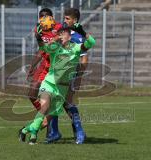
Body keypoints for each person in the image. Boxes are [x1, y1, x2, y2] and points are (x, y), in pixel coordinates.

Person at [19, 27, 96, 144]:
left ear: (69, 36)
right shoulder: (55, 48)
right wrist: (38, 37)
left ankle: (27, 130)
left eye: (63, 34)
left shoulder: (76, 48)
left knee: (47, 119)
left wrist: (83, 32)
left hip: (62, 89)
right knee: (44, 107)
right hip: (49, 83)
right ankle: (33, 136)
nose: (61, 36)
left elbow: (91, 42)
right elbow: (42, 47)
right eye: (59, 35)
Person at [46, 8, 88, 144]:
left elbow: (84, 60)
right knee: (55, 102)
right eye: (64, 18)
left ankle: (79, 132)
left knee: (67, 103)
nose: (64, 21)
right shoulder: (63, 33)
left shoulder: (77, 37)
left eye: (67, 19)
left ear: (75, 20)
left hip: (68, 76)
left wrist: (78, 79)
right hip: (56, 75)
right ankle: (55, 133)